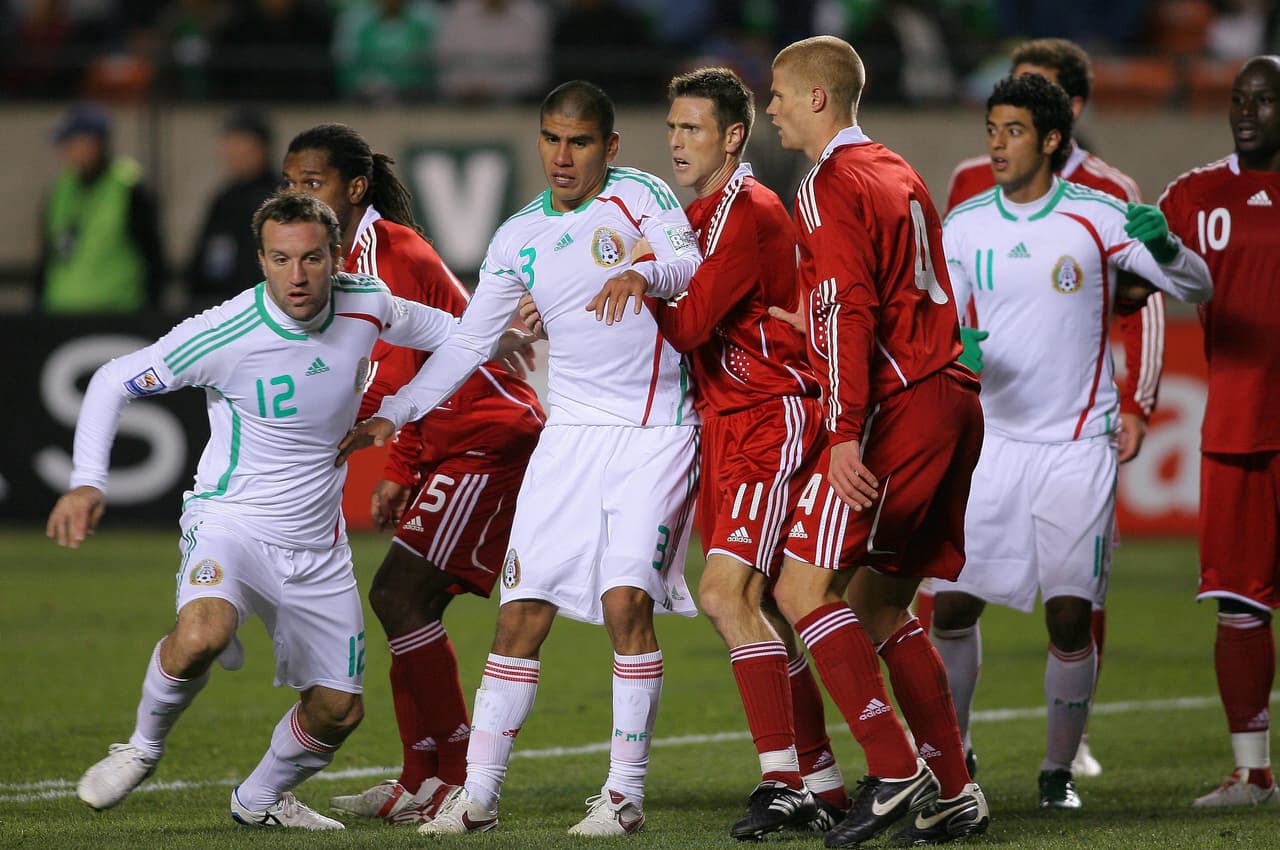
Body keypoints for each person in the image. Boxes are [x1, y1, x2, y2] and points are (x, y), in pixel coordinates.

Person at [48, 192, 527, 830]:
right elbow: (113, 380)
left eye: (311, 259)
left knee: (338, 710)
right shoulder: (225, 333)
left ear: (336, 258)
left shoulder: (367, 302)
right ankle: (140, 747)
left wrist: (510, 334)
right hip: (232, 523)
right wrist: (87, 483)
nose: (296, 276)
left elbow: (452, 336)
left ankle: (260, 799)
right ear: (262, 261)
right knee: (202, 635)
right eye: (280, 259)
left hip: (318, 546)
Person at [338, 79, 703, 836]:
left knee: (626, 604)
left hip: (654, 431)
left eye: (579, 142)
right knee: (521, 613)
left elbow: (687, 264)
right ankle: (476, 797)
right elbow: (469, 342)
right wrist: (396, 414)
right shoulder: (518, 235)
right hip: (567, 439)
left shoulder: (641, 195)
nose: (562, 156)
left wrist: (641, 273)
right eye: (551, 139)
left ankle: (624, 796)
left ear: (609, 146)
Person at [519, 66, 851, 839]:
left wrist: (638, 285)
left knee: (726, 595)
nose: (676, 140)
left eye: (692, 128)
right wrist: (605, 286)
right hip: (723, 420)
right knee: (760, 606)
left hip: (768, 413)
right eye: (671, 126)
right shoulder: (692, 215)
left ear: (732, 137)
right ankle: (823, 782)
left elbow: (693, 323)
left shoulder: (747, 209)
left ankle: (784, 779)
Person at [935, 73, 1213, 812]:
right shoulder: (965, 225)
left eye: (1014, 130)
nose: (997, 144)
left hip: (1076, 445)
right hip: (992, 444)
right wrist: (954, 348)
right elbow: (942, 319)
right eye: (992, 128)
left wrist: (1168, 248)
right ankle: (954, 751)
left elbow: (1197, 287)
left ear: (1052, 139)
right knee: (952, 607)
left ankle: (1057, 770)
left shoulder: (1099, 217)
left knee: (1068, 614)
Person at [277, 123, 545, 825]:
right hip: (449, 435)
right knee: (404, 603)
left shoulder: (388, 253)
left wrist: (319, 427)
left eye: (313, 182)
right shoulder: (341, 257)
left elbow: (396, 375)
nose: (299, 193)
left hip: (487, 430)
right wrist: (401, 464)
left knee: (399, 594)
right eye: (292, 182)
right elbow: (405, 373)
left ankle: (454, 776)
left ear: (354, 188)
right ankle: (420, 778)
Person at [763, 35, 987, 848]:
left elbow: (852, 308)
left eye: (779, 93)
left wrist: (844, 433)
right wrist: (816, 321)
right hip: (951, 395)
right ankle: (955, 790)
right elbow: (896, 294)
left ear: (818, 97)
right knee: (881, 605)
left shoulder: (825, 183)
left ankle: (895, 771)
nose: (771, 107)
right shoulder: (896, 168)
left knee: (798, 591)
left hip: (897, 409)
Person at [1157, 54, 1280, 809]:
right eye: (1239, 99)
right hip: (1236, 424)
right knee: (1239, 601)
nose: (1246, 111)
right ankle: (1252, 773)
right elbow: (1136, 282)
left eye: (1264, 100)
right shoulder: (1193, 196)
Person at [37, 103, 165, 314]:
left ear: (94, 143)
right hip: (61, 311)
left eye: (72, 143)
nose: (66, 152)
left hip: (117, 311)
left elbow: (152, 254)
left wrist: (150, 309)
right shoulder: (61, 188)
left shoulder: (127, 186)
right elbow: (47, 254)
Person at [188, 109, 278, 309]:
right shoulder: (225, 198)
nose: (231, 152)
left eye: (240, 144)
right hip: (221, 305)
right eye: (228, 143)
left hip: (263, 306)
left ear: (261, 147)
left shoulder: (278, 196)